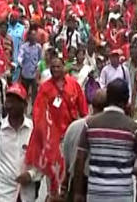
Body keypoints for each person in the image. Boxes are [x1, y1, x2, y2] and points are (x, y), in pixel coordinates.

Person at [74, 79, 137, 202]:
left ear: (108, 98)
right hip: (122, 194)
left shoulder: (90, 124)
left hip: (95, 192)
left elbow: (79, 159)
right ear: (126, 101)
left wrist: (78, 192)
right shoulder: (134, 128)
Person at [25, 56, 88, 198]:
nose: (55, 70)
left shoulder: (73, 85)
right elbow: (37, 112)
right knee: (53, 176)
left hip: (70, 138)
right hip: (53, 140)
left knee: (71, 172)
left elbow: (83, 110)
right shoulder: (45, 88)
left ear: (64, 67)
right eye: (52, 67)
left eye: (58, 67)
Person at [0, 83, 40, 202]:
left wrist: (31, 174)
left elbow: (43, 163)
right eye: (8, 101)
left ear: (24, 105)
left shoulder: (34, 131)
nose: (10, 105)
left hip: (26, 196)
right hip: (1, 195)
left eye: (15, 101)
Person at [61, 89, 107, 200]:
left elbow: (66, 163)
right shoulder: (108, 130)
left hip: (75, 184)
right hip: (97, 185)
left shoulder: (74, 126)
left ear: (91, 106)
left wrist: (64, 186)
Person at [17, 29, 42, 105]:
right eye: (32, 35)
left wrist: (37, 66)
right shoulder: (24, 47)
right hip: (25, 72)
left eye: (35, 35)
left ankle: (34, 108)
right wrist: (21, 64)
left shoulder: (38, 47)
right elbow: (20, 57)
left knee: (35, 93)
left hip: (34, 73)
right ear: (29, 36)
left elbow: (40, 59)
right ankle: (24, 106)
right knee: (24, 91)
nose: (33, 37)